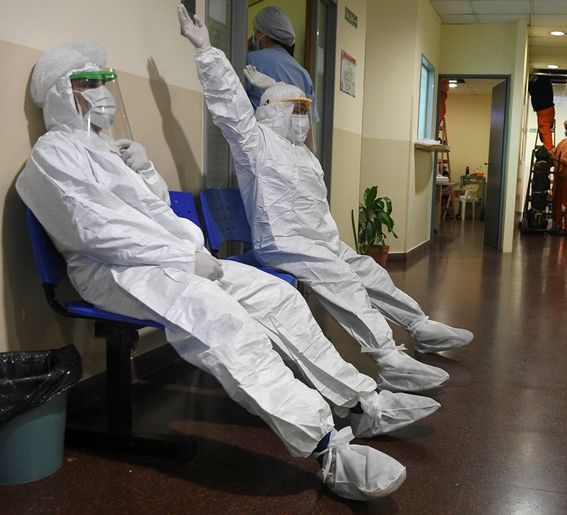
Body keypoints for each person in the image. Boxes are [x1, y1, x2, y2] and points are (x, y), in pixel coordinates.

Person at [17, 40, 442, 501]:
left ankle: (362, 403)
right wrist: (183, 258)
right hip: (117, 272)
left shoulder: (107, 148)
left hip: (174, 258)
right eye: (88, 84)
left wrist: (147, 171)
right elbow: (94, 234)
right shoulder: (51, 156)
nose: (102, 94)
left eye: (104, 81)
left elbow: (154, 211)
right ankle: (327, 447)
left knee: (279, 296)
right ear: (61, 94)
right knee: (225, 322)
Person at [178, 7, 473, 394]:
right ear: (273, 113)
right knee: (340, 277)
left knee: (366, 270)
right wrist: (206, 51)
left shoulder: (303, 154)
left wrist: (278, 88)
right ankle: (388, 359)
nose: (303, 119)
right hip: (283, 242)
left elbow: (286, 112)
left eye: (305, 111)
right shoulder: (256, 145)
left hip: (318, 238)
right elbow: (230, 107)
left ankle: (419, 326)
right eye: (296, 111)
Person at [245, 5, 316, 118]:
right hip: (294, 130)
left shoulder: (250, 59)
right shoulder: (304, 74)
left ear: (264, 36)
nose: (253, 37)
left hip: (259, 128)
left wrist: (242, 52)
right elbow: (310, 119)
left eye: (256, 31)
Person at [528, 74, 555, 151]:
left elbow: (532, 91)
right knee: (545, 130)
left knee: (545, 130)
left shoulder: (540, 85)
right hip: (548, 108)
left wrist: (549, 151)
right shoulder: (546, 83)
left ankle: (549, 150)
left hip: (544, 109)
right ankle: (548, 148)